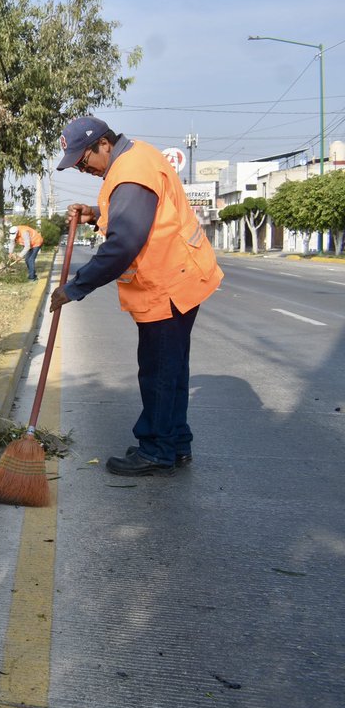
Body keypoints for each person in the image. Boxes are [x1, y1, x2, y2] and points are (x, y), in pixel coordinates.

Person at [51, 116, 223, 476]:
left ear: (104, 144)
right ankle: (175, 443)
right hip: (181, 277)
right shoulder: (136, 157)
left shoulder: (129, 172)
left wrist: (74, 287)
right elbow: (136, 215)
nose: (83, 170)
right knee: (172, 370)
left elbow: (123, 244)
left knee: (159, 371)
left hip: (168, 285)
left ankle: (157, 450)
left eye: (84, 161)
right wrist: (95, 214)